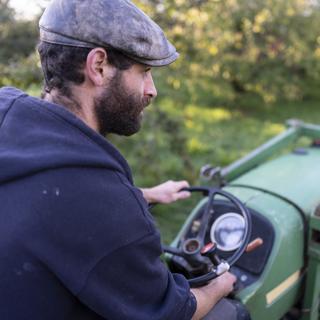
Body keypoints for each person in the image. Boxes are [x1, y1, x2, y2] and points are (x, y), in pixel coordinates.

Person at [0, 0, 236, 319]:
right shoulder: (103, 205)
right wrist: (220, 284)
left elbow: (45, 203)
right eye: (144, 72)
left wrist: (147, 195)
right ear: (98, 66)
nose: (151, 91)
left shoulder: (8, 116)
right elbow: (171, 310)